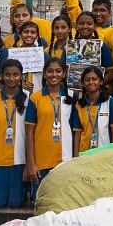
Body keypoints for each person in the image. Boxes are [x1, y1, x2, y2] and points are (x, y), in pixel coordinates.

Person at [0, 59, 30, 208]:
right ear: (1, 77)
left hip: (20, 160)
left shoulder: (29, 98)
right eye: (7, 75)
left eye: (16, 74)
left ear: (21, 76)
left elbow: (31, 134)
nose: (11, 78)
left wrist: (29, 164)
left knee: (16, 204)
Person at [24, 58, 74, 188]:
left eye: (58, 71)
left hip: (65, 159)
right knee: (41, 203)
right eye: (50, 71)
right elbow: (29, 133)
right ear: (45, 74)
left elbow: (76, 131)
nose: (54, 75)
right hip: (41, 161)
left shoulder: (71, 96)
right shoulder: (36, 97)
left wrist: (75, 159)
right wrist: (31, 163)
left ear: (64, 74)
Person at [70, 66, 113, 155]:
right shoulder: (79, 105)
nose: (91, 82)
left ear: (101, 82)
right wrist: (76, 157)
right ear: (83, 83)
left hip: (105, 152)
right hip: (84, 153)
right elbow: (77, 133)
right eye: (87, 80)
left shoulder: (110, 102)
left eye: (94, 79)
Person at [70, 11, 113, 89]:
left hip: (96, 94)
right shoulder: (70, 46)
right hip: (73, 93)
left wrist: (97, 85)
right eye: (81, 23)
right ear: (76, 26)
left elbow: (111, 73)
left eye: (89, 24)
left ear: (95, 26)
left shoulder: (102, 46)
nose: (85, 26)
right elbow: (64, 69)